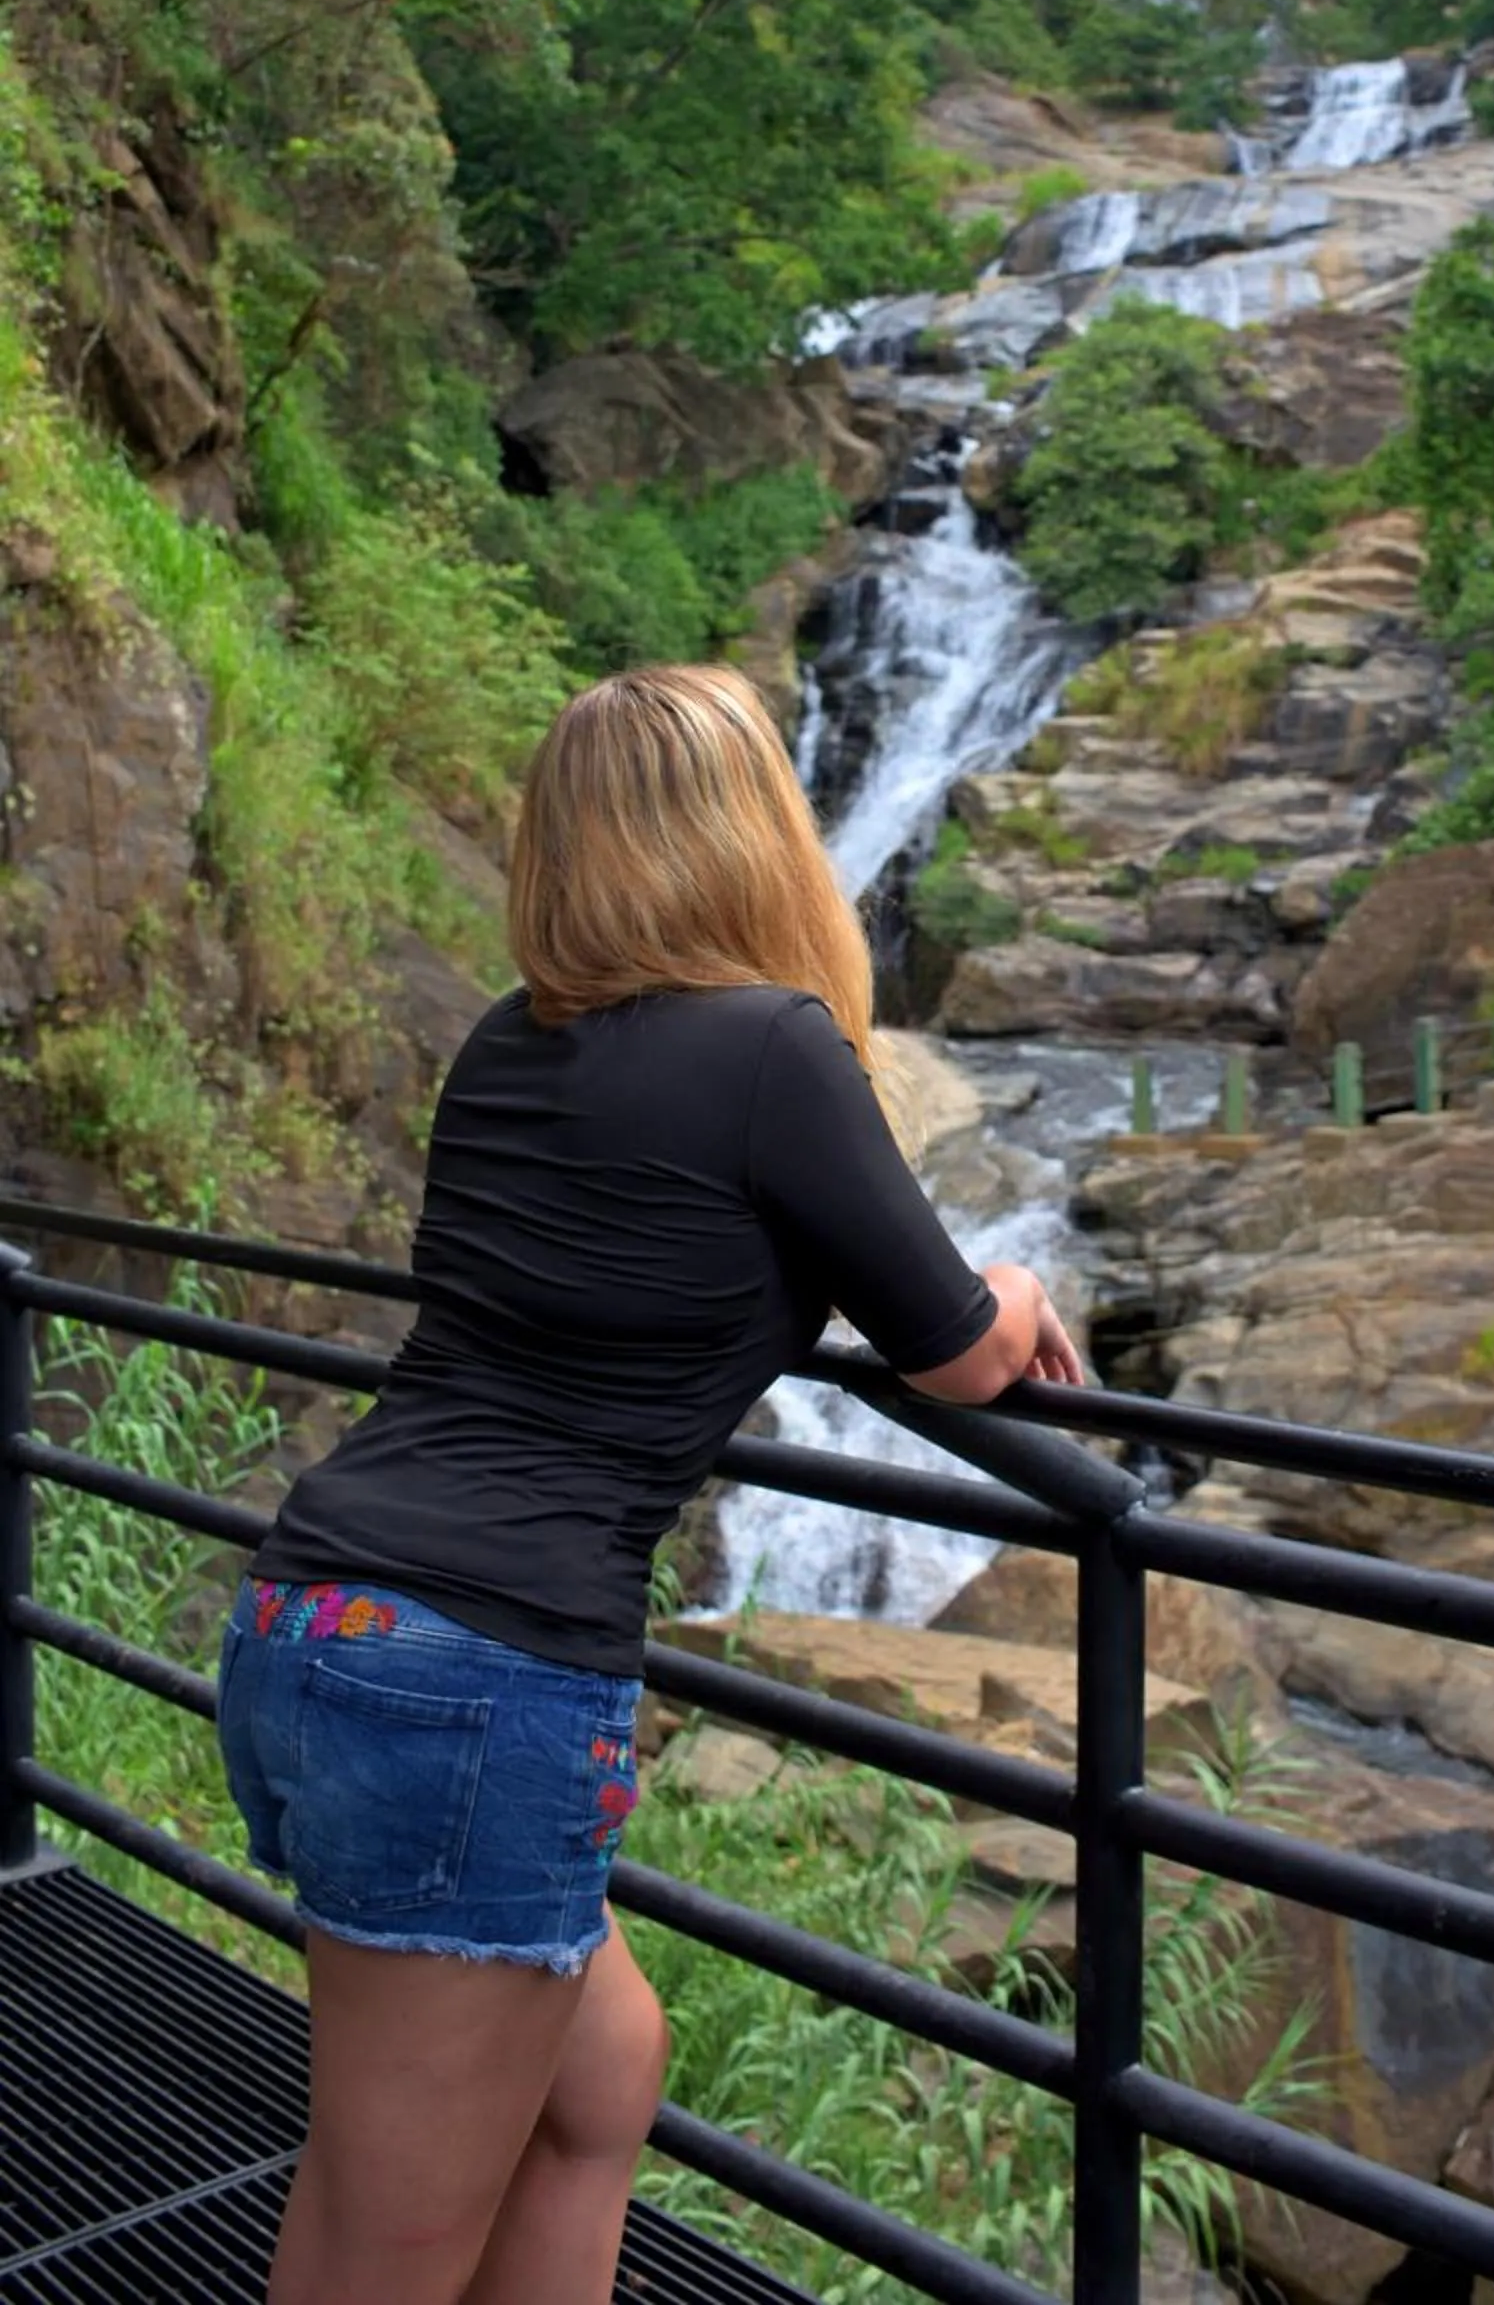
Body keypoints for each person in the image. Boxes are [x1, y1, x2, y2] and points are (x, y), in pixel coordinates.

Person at [215, 664, 1085, 2305]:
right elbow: (956, 1351)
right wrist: (1021, 1297)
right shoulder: (772, 1048)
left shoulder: (500, 1047)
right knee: (375, 2255)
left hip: (308, 1622)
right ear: (757, 833)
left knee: (599, 2081)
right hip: (478, 1680)